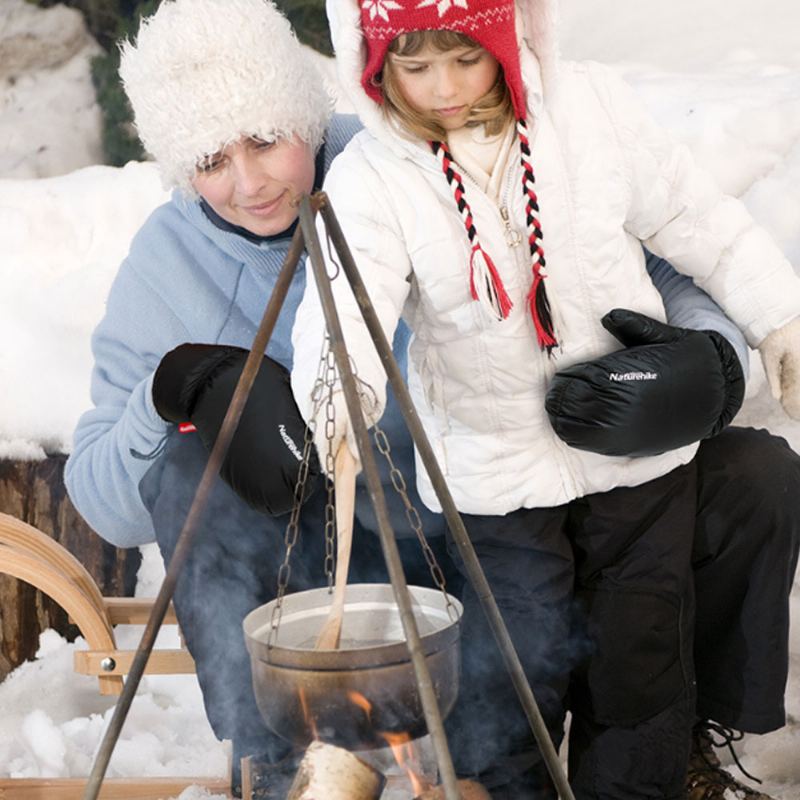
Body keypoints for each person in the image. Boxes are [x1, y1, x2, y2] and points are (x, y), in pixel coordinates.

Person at [63, 0, 798, 798]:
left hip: (532, 491)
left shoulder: (416, 151)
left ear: (307, 113)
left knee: (745, 487)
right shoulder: (187, 256)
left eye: (266, 141)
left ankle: (676, 747)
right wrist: (175, 390)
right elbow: (110, 500)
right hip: (369, 552)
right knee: (183, 468)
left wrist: (713, 364)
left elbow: (662, 254)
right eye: (208, 161)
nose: (248, 183)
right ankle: (294, 768)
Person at [288, 0, 800, 797]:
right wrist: (338, 397)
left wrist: (779, 316)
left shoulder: (589, 111)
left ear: (504, 35)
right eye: (414, 68)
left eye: (465, 59)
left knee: (641, 664)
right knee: (515, 675)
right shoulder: (375, 176)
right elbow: (343, 308)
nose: (444, 89)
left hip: (637, 456)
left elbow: (697, 219)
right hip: (494, 481)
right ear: (376, 61)